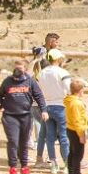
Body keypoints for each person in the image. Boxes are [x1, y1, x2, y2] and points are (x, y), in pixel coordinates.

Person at [0, 57, 47, 174]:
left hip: (25, 116)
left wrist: (43, 110)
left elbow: (39, 96)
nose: (17, 69)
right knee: (13, 141)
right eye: (15, 67)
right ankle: (12, 168)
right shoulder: (7, 81)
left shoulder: (30, 81)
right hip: (10, 116)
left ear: (26, 69)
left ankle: (24, 166)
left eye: (20, 67)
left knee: (23, 142)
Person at [37, 49, 73, 173]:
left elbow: (39, 89)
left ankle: (53, 164)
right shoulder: (62, 72)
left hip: (47, 106)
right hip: (61, 105)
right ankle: (67, 164)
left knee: (49, 137)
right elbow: (69, 89)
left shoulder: (42, 73)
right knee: (64, 137)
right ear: (58, 59)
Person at [31, 32, 61, 165]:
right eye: (56, 41)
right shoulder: (43, 55)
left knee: (44, 129)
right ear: (50, 41)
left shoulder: (42, 54)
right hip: (46, 94)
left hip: (44, 92)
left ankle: (42, 157)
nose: (58, 44)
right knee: (49, 129)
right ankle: (50, 157)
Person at [63, 77, 88, 174]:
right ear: (80, 90)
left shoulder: (70, 100)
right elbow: (78, 120)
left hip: (70, 128)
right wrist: (81, 135)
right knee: (78, 155)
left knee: (72, 152)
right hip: (76, 130)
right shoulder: (76, 104)